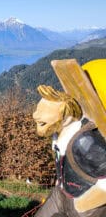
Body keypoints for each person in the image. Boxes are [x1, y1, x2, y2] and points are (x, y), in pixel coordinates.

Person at [33, 85, 106, 217]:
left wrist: (85, 204)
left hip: (87, 207)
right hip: (61, 195)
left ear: (67, 119)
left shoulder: (85, 142)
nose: (35, 115)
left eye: (45, 111)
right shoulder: (56, 136)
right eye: (39, 109)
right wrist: (59, 183)